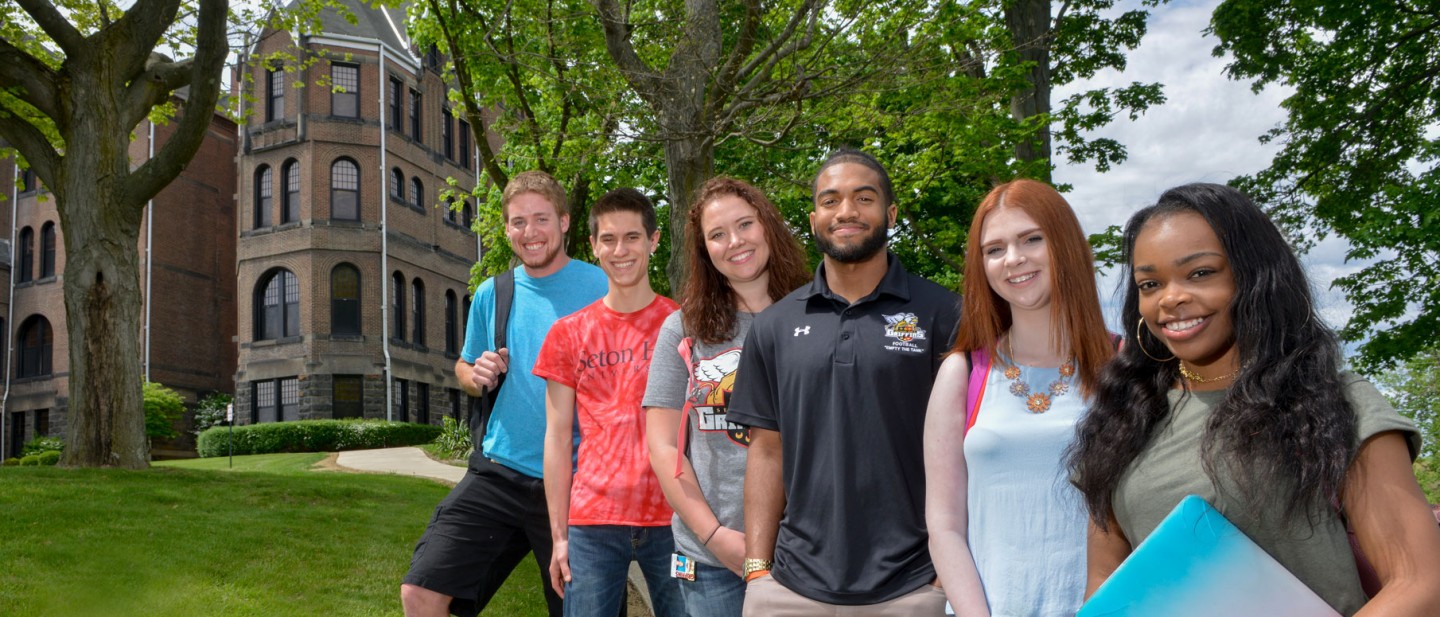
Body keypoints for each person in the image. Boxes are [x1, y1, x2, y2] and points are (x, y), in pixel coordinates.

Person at [1068, 183, 1440, 615]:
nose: (1170, 298)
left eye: (1201, 273)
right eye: (1150, 283)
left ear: (1255, 275)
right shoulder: (1121, 419)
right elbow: (1104, 585)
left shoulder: (1337, 402)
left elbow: (1420, 583)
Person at [727, 148, 960, 615]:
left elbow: (965, 450)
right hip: (789, 588)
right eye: (831, 201)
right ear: (814, 219)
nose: (847, 212)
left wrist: (942, 573)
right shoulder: (773, 326)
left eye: (864, 198)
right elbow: (766, 450)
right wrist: (757, 568)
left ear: (891, 213)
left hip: (913, 586)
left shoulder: (946, 314)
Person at [401, 171, 607, 617]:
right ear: (507, 229)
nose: (529, 233)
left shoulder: (602, 287)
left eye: (540, 219)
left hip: (577, 484)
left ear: (565, 222)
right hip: (498, 473)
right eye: (518, 222)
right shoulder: (494, 293)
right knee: (421, 594)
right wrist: (475, 374)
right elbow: (463, 365)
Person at [923, 179, 1112, 616]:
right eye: (994, 249)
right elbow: (945, 524)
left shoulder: (1123, 366)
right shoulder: (962, 372)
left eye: (1031, 239)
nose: (1014, 260)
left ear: (1064, 244)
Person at [642, 177, 811, 615]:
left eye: (745, 225)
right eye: (717, 235)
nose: (734, 242)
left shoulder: (818, 314)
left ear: (768, 225)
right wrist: (714, 535)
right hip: (711, 556)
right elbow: (662, 447)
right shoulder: (683, 329)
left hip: (806, 549)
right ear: (704, 250)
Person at [533, 187, 684, 617]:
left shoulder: (686, 327)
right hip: (593, 522)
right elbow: (558, 439)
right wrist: (559, 536)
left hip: (675, 517)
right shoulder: (568, 334)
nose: (621, 250)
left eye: (633, 237)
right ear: (594, 246)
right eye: (609, 239)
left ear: (654, 241)